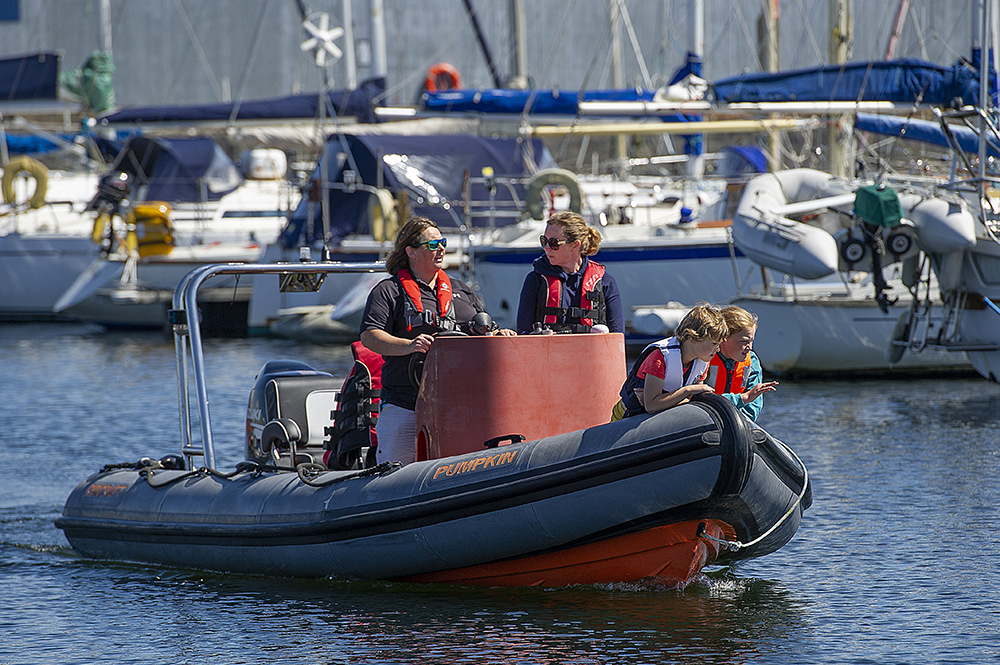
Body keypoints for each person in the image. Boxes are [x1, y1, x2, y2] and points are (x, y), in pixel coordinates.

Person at [360, 216, 514, 465]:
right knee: (395, 475)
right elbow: (370, 336)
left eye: (442, 242)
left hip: (458, 407)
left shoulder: (462, 291)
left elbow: (485, 333)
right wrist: (409, 346)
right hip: (404, 405)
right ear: (411, 251)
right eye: (433, 244)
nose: (441, 248)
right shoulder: (388, 291)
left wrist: (500, 336)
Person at [611, 303, 727, 420]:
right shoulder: (660, 358)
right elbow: (651, 405)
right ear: (693, 338)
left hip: (661, 419)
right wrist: (688, 390)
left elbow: (690, 399)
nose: (717, 349)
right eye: (714, 344)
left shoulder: (702, 361)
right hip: (626, 418)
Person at [515, 211, 625, 335]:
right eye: (544, 241)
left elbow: (617, 335)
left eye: (554, 243)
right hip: (548, 352)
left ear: (575, 245)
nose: (546, 248)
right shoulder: (535, 280)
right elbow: (524, 331)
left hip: (591, 352)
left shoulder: (606, 282)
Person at [707, 306, 778, 422]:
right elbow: (699, 400)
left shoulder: (752, 362)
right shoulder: (705, 358)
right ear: (724, 338)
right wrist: (742, 398)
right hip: (707, 418)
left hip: (737, 421)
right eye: (744, 341)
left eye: (751, 341)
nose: (749, 347)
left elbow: (753, 406)